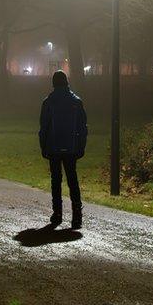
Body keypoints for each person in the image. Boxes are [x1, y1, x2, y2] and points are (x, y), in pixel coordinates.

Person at [38, 70, 87, 228]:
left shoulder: (48, 102)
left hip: (53, 146)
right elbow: (82, 127)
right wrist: (81, 146)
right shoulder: (76, 101)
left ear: (53, 83)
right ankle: (77, 215)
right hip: (71, 147)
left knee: (56, 180)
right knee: (73, 179)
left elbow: (44, 127)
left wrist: (43, 146)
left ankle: (57, 213)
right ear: (67, 82)